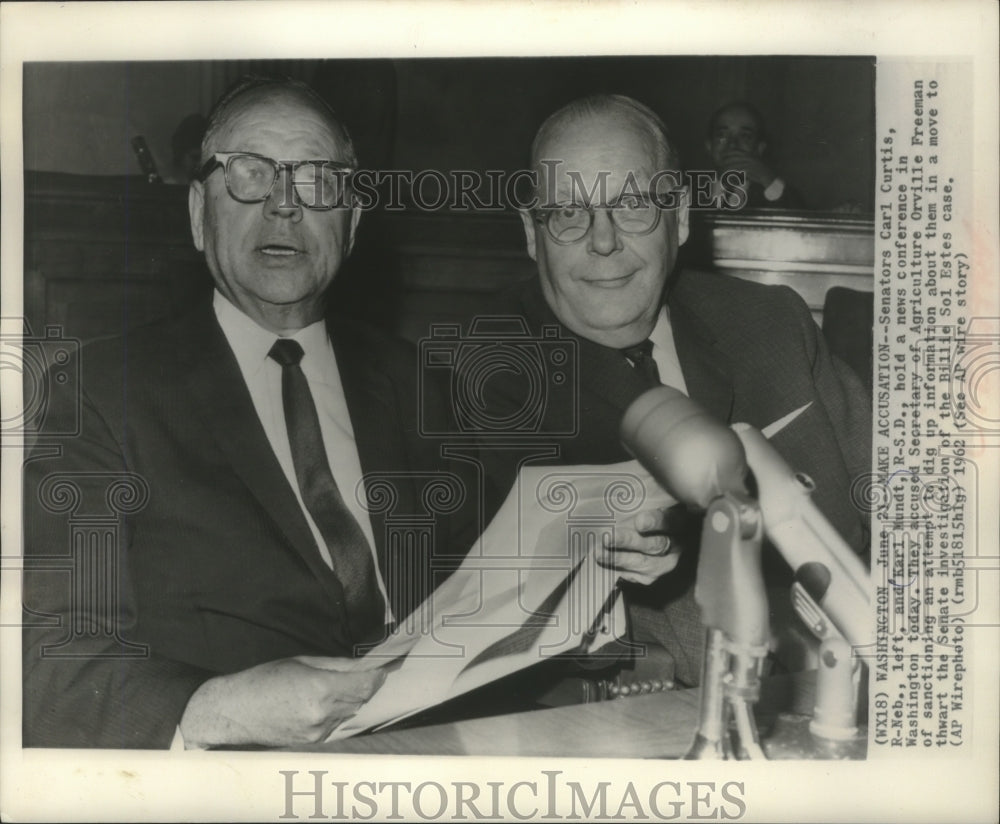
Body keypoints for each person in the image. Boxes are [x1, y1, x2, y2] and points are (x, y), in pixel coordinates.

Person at [21, 78, 678, 749]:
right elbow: (44, 655)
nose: (284, 206)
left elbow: (503, 594)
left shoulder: (424, 384)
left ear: (354, 222)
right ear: (197, 211)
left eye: (318, 181)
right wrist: (216, 708)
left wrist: (608, 559)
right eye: (250, 176)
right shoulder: (104, 392)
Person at [471, 94, 870, 688]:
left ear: (679, 218)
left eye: (632, 205)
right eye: (567, 213)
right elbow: (525, 613)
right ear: (533, 234)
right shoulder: (489, 375)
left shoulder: (771, 322)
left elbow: (903, 497)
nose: (602, 241)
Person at [704, 100, 803, 209]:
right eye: (722, 135)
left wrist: (767, 179)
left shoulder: (774, 193)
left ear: (759, 149)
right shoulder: (691, 193)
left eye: (745, 136)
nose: (732, 144)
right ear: (710, 146)